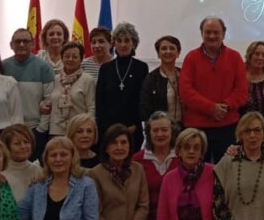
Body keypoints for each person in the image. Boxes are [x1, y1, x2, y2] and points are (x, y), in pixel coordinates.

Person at [179, 17, 249, 162]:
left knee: (227, 169)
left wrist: (224, 107)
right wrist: (211, 108)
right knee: (195, 169)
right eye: (208, 32)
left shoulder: (235, 57)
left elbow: (242, 91)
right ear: (201, 33)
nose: (211, 36)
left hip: (228, 125)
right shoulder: (191, 57)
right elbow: (185, 91)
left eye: (216, 32)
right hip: (196, 127)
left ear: (224, 33)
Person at [3, 28, 55, 160]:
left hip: (35, 130)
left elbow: (49, 101)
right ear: (11, 45)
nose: (21, 44)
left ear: (32, 44)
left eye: (25, 41)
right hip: (8, 129)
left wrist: (41, 130)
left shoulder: (44, 68)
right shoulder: (2, 67)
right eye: (18, 41)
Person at [97, 22, 150, 152]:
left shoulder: (141, 67)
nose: (123, 44)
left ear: (134, 43)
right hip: (108, 130)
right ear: (114, 43)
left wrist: (135, 125)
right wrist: (107, 127)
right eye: (119, 41)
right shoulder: (105, 68)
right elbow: (100, 100)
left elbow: (143, 99)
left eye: (127, 40)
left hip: (133, 129)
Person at [47, 41, 97, 139]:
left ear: (81, 59)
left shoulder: (88, 80)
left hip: (78, 132)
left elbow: (92, 108)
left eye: (75, 57)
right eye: (67, 56)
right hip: (56, 131)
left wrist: (87, 130)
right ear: (62, 58)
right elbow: (50, 102)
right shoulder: (56, 79)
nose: (70, 59)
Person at [139, 35, 184, 130]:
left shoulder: (185, 75)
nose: (168, 51)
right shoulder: (151, 79)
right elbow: (144, 108)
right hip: (161, 130)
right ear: (158, 54)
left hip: (184, 129)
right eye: (164, 48)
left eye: (172, 48)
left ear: (178, 53)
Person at [241, 40, 264, 118]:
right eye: (257, 54)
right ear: (250, 55)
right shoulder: (240, 75)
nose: (260, 58)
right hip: (243, 122)